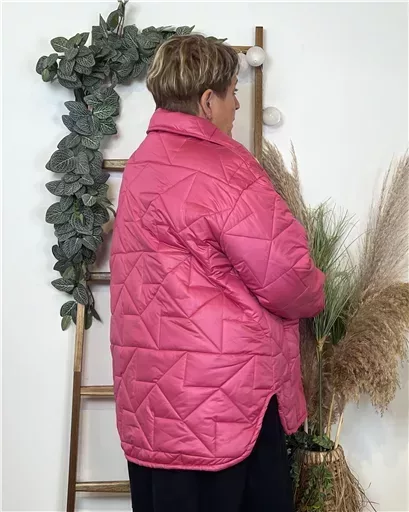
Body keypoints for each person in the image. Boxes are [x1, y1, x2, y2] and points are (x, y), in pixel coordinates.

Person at [110, 34, 325, 512]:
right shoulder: (225, 169)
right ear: (208, 101)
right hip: (224, 404)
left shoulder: (142, 164)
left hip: (153, 400)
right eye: (233, 93)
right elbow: (288, 278)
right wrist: (317, 292)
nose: (237, 106)